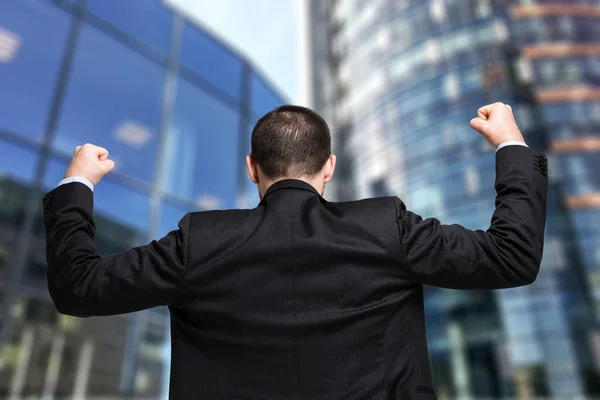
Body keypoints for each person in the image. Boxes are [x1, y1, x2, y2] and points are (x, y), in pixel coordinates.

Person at [42, 102, 547, 399]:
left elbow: (78, 287)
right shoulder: (386, 227)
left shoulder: (199, 241)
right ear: (328, 168)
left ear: (251, 168)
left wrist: (77, 182)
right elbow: (512, 256)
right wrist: (511, 146)